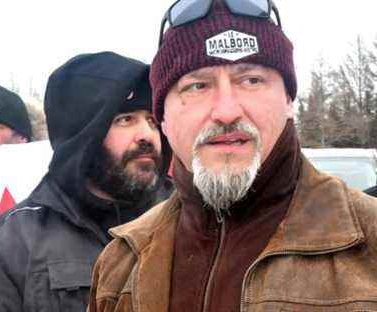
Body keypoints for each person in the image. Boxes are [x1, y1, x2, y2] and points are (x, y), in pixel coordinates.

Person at [89, 1, 377, 311]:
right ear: (164, 120)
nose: (227, 111)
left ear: (288, 101)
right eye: (197, 86)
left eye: (251, 80)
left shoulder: (368, 241)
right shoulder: (120, 262)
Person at [0, 52, 173, 311]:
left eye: (152, 120)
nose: (147, 135)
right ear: (83, 135)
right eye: (124, 120)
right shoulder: (7, 244)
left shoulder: (194, 218)